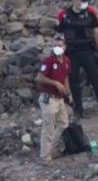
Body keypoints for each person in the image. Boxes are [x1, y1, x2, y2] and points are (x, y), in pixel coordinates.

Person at [55, 0, 98, 123]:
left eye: (84, 0)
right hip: (71, 52)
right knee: (74, 83)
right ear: (73, 0)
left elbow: (96, 31)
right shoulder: (63, 15)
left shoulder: (91, 12)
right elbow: (59, 35)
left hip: (87, 50)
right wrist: (60, 53)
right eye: (80, 0)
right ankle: (78, 111)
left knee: (96, 81)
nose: (82, 3)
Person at [36, 33, 71, 163]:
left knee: (63, 123)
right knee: (48, 127)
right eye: (55, 45)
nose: (57, 47)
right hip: (48, 98)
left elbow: (66, 77)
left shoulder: (67, 61)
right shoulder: (49, 61)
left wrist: (68, 93)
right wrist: (55, 83)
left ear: (65, 47)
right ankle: (45, 157)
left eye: (60, 45)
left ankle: (51, 149)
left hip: (59, 98)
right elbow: (39, 77)